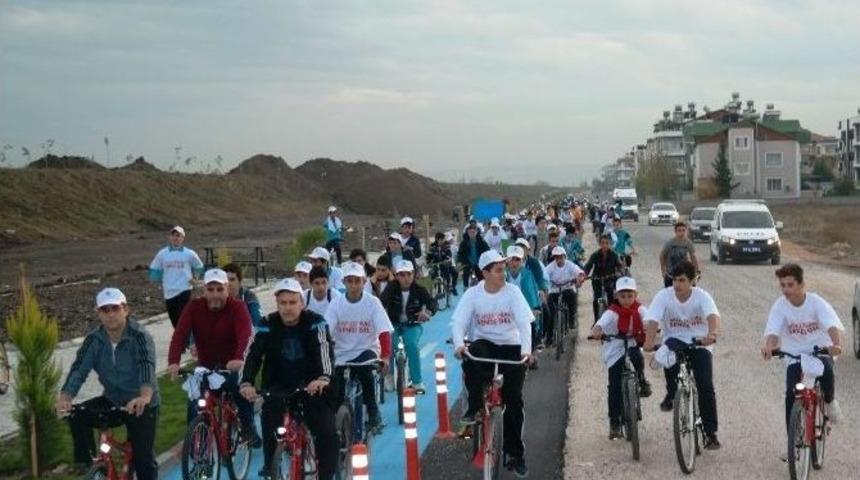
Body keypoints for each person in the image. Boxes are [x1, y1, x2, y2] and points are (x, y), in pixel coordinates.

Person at [240, 278, 338, 480]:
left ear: (301, 303)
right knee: (270, 422)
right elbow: (253, 354)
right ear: (277, 304)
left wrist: (323, 377)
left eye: (292, 302)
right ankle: (271, 469)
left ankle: (326, 476)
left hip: (312, 385)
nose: (288, 307)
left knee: (326, 433)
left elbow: (324, 350)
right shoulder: (266, 324)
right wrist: (246, 381)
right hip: (278, 386)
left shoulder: (315, 322)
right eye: (283, 303)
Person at [57, 288, 159, 479]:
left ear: (125, 309)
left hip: (141, 403)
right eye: (105, 310)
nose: (110, 314)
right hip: (113, 400)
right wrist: (66, 396)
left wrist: (144, 396)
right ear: (99, 314)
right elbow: (79, 368)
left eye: (115, 308)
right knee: (76, 415)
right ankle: (91, 468)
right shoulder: (94, 339)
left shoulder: (139, 336)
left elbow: (147, 366)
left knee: (143, 461)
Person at [452, 250, 533, 477]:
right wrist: (459, 345)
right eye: (498, 270)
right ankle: (475, 407)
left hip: (511, 346)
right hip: (485, 344)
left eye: (503, 269)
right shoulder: (473, 294)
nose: (503, 274)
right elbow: (458, 321)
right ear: (485, 273)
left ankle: (515, 454)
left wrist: (526, 351)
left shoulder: (513, 292)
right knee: (471, 356)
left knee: (514, 401)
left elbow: (524, 323)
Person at [166, 269, 257, 445]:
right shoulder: (194, 307)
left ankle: (248, 427)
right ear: (204, 291)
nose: (215, 294)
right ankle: (196, 441)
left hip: (233, 363)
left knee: (239, 388)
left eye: (220, 289)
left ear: (227, 289)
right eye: (210, 289)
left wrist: (239, 358)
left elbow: (245, 335)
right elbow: (180, 334)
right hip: (206, 365)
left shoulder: (238, 307)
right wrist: (173, 361)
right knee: (195, 401)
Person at [643, 260, 722, 449]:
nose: (677, 284)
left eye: (682, 280)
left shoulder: (702, 296)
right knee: (667, 357)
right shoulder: (664, 296)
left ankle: (710, 433)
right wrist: (649, 341)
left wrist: (712, 334)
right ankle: (672, 394)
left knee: (705, 385)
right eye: (674, 280)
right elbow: (653, 320)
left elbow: (713, 317)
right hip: (675, 340)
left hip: (699, 342)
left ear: (692, 281)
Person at [760, 263, 844, 427]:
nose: (786, 289)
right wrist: (769, 347)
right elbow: (773, 331)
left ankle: (830, 401)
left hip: (820, 350)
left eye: (790, 285)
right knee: (791, 394)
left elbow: (831, 326)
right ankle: (793, 437)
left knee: (826, 372)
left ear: (801, 285)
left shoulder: (816, 302)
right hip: (795, 354)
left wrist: (837, 345)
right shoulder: (780, 306)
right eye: (783, 285)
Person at [324, 262, 393, 430]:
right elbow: (326, 333)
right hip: (341, 353)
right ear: (344, 282)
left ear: (364, 282)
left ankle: (373, 411)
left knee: (366, 374)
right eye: (350, 281)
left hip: (366, 349)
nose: (353, 285)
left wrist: (385, 357)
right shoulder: (336, 304)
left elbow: (384, 332)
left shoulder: (373, 303)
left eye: (357, 281)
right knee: (336, 389)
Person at [589, 277, 651, 439]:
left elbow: (650, 318)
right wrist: (597, 331)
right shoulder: (612, 312)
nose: (627, 300)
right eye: (623, 296)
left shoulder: (639, 309)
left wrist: (651, 326)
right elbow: (601, 323)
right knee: (614, 385)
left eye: (630, 296)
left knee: (638, 358)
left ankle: (642, 380)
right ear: (616, 296)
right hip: (615, 346)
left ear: (635, 295)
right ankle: (614, 423)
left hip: (631, 343)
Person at [380, 260, 436, 393]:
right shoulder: (391, 288)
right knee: (389, 344)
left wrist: (427, 312)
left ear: (413, 274)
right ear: (396, 276)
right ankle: (389, 375)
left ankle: (417, 382)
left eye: (408, 274)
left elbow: (432, 303)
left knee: (412, 345)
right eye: (402, 275)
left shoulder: (419, 290)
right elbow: (381, 303)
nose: (405, 278)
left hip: (412, 325)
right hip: (393, 324)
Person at [148, 225, 204, 328]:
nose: (176, 238)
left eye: (178, 236)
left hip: (184, 289)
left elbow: (199, 266)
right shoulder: (162, 254)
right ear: (170, 237)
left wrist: (195, 278)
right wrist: (157, 279)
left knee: (183, 318)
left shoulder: (189, 253)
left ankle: (185, 336)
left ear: (183, 238)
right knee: (174, 319)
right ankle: (180, 336)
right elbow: (155, 269)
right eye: (173, 235)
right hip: (169, 291)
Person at [506, 245, 543, 363]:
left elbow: (532, 293)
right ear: (507, 261)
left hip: (525, 310)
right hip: (506, 311)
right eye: (511, 259)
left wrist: (535, 308)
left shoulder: (527, 275)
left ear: (522, 261)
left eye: (517, 259)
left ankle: (531, 353)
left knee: (530, 326)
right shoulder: (502, 275)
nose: (514, 263)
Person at [543, 246, 585, 345]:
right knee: (550, 313)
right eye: (556, 257)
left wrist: (580, 278)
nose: (559, 259)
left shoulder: (570, 265)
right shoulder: (550, 267)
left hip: (567, 287)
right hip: (554, 290)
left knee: (572, 296)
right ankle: (549, 338)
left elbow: (579, 272)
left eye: (561, 257)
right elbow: (543, 276)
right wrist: (544, 285)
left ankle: (571, 319)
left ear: (564, 256)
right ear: (554, 258)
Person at [583, 234, 625, 325]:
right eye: (602, 243)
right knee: (596, 299)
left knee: (611, 298)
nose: (605, 245)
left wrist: (620, 272)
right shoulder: (595, 255)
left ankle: (612, 320)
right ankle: (596, 321)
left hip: (610, 279)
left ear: (610, 244)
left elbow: (620, 266)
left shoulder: (614, 255)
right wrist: (584, 275)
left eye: (607, 243)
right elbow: (588, 266)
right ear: (599, 244)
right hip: (597, 280)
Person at [224, 263, 264, 331]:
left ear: (240, 282)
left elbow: (260, 325)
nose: (229, 283)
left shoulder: (248, 296)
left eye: (232, 279)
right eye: (226, 280)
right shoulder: (216, 297)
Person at [659, 221, 699, 288]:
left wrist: (696, 271)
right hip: (670, 274)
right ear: (675, 232)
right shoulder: (670, 243)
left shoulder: (688, 243)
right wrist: (663, 270)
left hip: (683, 273)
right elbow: (662, 255)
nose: (682, 232)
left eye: (683, 230)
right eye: (679, 230)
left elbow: (693, 257)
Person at [456, 223, 490, 290]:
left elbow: (487, 251)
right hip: (468, 263)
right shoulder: (464, 242)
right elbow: (460, 254)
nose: (472, 234)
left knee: (481, 277)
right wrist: (460, 261)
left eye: (473, 232)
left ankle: (483, 289)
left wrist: (486, 259)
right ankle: (465, 288)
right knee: (465, 274)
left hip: (479, 262)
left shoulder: (481, 241)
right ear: (468, 232)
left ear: (477, 232)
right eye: (470, 232)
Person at [427, 231, 459, 296]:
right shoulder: (432, 247)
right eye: (441, 239)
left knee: (453, 272)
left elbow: (449, 254)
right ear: (437, 239)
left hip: (445, 264)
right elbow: (429, 256)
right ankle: (432, 292)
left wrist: (447, 259)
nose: (442, 241)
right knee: (432, 274)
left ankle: (451, 286)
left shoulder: (446, 246)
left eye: (443, 239)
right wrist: (428, 262)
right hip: (436, 265)